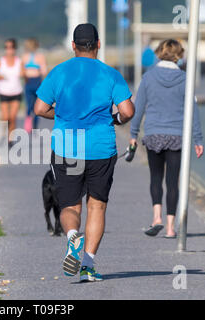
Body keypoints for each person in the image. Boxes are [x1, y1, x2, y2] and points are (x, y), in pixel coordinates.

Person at [34, 24, 135, 282]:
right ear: (98, 45)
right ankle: (88, 266)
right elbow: (128, 111)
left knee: (70, 205)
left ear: (74, 45)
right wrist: (115, 119)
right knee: (97, 206)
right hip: (101, 148)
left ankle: (71, 239)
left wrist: (62, 114)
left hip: (67, 146)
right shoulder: (110, 74)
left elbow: (39, 107)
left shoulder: (59, 72)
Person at [129, 39, 204, 239]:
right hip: (177, 136)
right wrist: (198, 139)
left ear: (159, 53)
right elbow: (192, 111)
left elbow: (139, 107)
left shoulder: (148, 77)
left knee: (155, 178)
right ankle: (171, 227)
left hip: (154, 134)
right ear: (179, 55)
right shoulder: (185, 79)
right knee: (173, 182)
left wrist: (133, 134)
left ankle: (156, 218)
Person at [0, 38, 23, 148]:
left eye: (11, 47)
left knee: (13, 117)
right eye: (6, 47)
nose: (8, 50)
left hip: (16, 91)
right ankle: (2, 136)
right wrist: (0, 76)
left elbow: (24, 74)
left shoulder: (19, 61)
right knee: (5, 117)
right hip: (4, 91)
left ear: (14, 49)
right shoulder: (1, 61)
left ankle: (11, 139)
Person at [21, 38, 48, 132]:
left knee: (29, 105)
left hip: (29, 81)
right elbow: (44, 71)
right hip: (36, 81)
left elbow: (22, 71)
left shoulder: (25, 57)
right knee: (36, 105)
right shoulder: (40, 56)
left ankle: (28, 124)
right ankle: (34, 125)